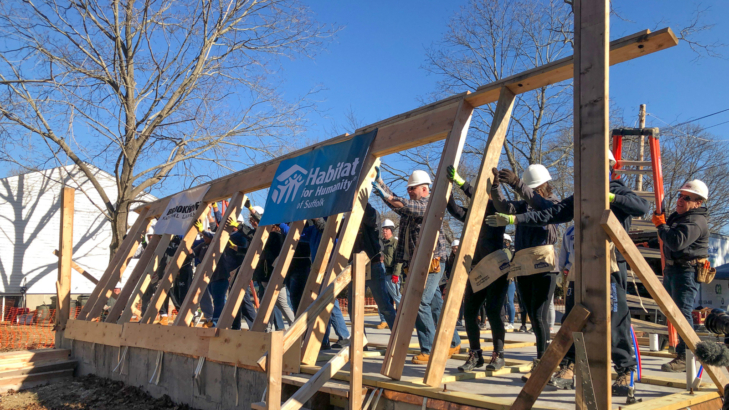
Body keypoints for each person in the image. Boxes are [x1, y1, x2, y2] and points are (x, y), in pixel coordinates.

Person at [487, 151, 649, 395]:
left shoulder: (618, 189)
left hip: (611, 263)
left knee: (616, 318)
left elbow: (642, 207)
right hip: (582, 263)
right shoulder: (581, 195)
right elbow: (551, 212)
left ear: (608, 167)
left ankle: (625, 370)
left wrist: (611, 196)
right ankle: (570, 364)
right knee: (573, 317)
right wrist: (514, 218)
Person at [372, 167, 461, 364]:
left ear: (425, 189)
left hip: (433, 262)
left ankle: (429, 349)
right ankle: (454, 342)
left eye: (413, 188)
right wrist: (381, 184)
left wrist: (386, 195)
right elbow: (399, 203)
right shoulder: (411, 206)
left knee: (420, 301)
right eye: (409, 189)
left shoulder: (430, 204)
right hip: (418, 263)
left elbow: (405, 206)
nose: (410, 191)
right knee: (435, 303)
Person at [489, 164, 560, 382]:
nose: (534, 193)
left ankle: (543, 364)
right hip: (524, 265)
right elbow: (503, 206)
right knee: (532, 314)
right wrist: (496, 188)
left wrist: (517, 183)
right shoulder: (523, 206)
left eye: (534, 188)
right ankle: (541, 362)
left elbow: (541, 208)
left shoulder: (553, 204)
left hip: (543, 265)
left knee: (539, 315)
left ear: (543, 186)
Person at [444, 166, 509, 371]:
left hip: (496, 268)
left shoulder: (498, 209)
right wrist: (446, 190)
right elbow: (455, 210)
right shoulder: (474, 216)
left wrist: (462, 183)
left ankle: (498, 355)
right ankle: (475, 355)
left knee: (493, 311)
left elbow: (484, 199)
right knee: (471, 312)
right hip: (478, 268)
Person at [653, 179, 710, 373]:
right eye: (680, 196)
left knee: (682, 314)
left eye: (687, 198)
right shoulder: (681, 218)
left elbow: (676, 242)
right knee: (674, 313)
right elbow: (669, 240)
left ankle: (686, 357)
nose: (680, 200)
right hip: (675, 270)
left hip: (686, 272)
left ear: (698, 202)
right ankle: (684, 354)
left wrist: (661, 226)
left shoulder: (695, 220)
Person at [346, 203, 397, 345]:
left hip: (372, 265)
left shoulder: (370, 217)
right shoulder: (347, 221)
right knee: (352, 308)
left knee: (384, 306)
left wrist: (359, 198)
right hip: (354, 267)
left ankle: (398, 340)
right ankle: (360, 342)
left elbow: (372, 218)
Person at [380, 218, 402, 329]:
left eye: (387, 229)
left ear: (391, 231)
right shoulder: (381, 243)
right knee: (384, 299)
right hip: (382, 273)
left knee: (398, 298)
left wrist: (396, 274)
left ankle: (403, 320)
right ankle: (387, 320)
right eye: (383, 229)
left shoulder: (395, 242)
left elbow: (399, 259)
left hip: (391, 273)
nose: (384, 231)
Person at [502, 234, 517, 331]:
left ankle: (511, 322)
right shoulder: (506, 251)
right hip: (506, 279)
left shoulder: (507, 251)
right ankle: (505, 320)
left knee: (509, 301)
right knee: (504, 301)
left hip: (509, 279)